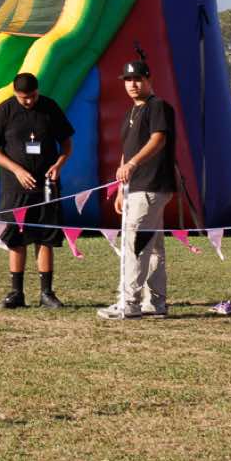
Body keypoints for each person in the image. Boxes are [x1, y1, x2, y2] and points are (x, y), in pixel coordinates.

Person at [0, 71, 74, 308]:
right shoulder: (5, 110)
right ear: (15, 93)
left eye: (33, 96)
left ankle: (46, 293)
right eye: (24, 97)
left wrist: (59, 164)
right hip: (16, 187)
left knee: (45, 236)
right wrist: (16, 170)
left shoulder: (50, 108)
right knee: (16, 236)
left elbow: (67, 143)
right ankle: (16, 292)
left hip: (46, 185)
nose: (29, 101)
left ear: (38, 91)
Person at [100, 60, 177, 320]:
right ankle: (155, 303)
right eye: (128, 80)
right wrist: (121, 189)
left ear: (148, 80)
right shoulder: (131, 112)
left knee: (135, 243)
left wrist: (133, 164)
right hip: (135, 187)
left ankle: (129, 303)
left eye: (137, 79)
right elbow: (127, 150)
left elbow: (158, 138)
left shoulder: (158, 106)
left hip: (151, 185)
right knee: (153, 248)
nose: (132, 84)